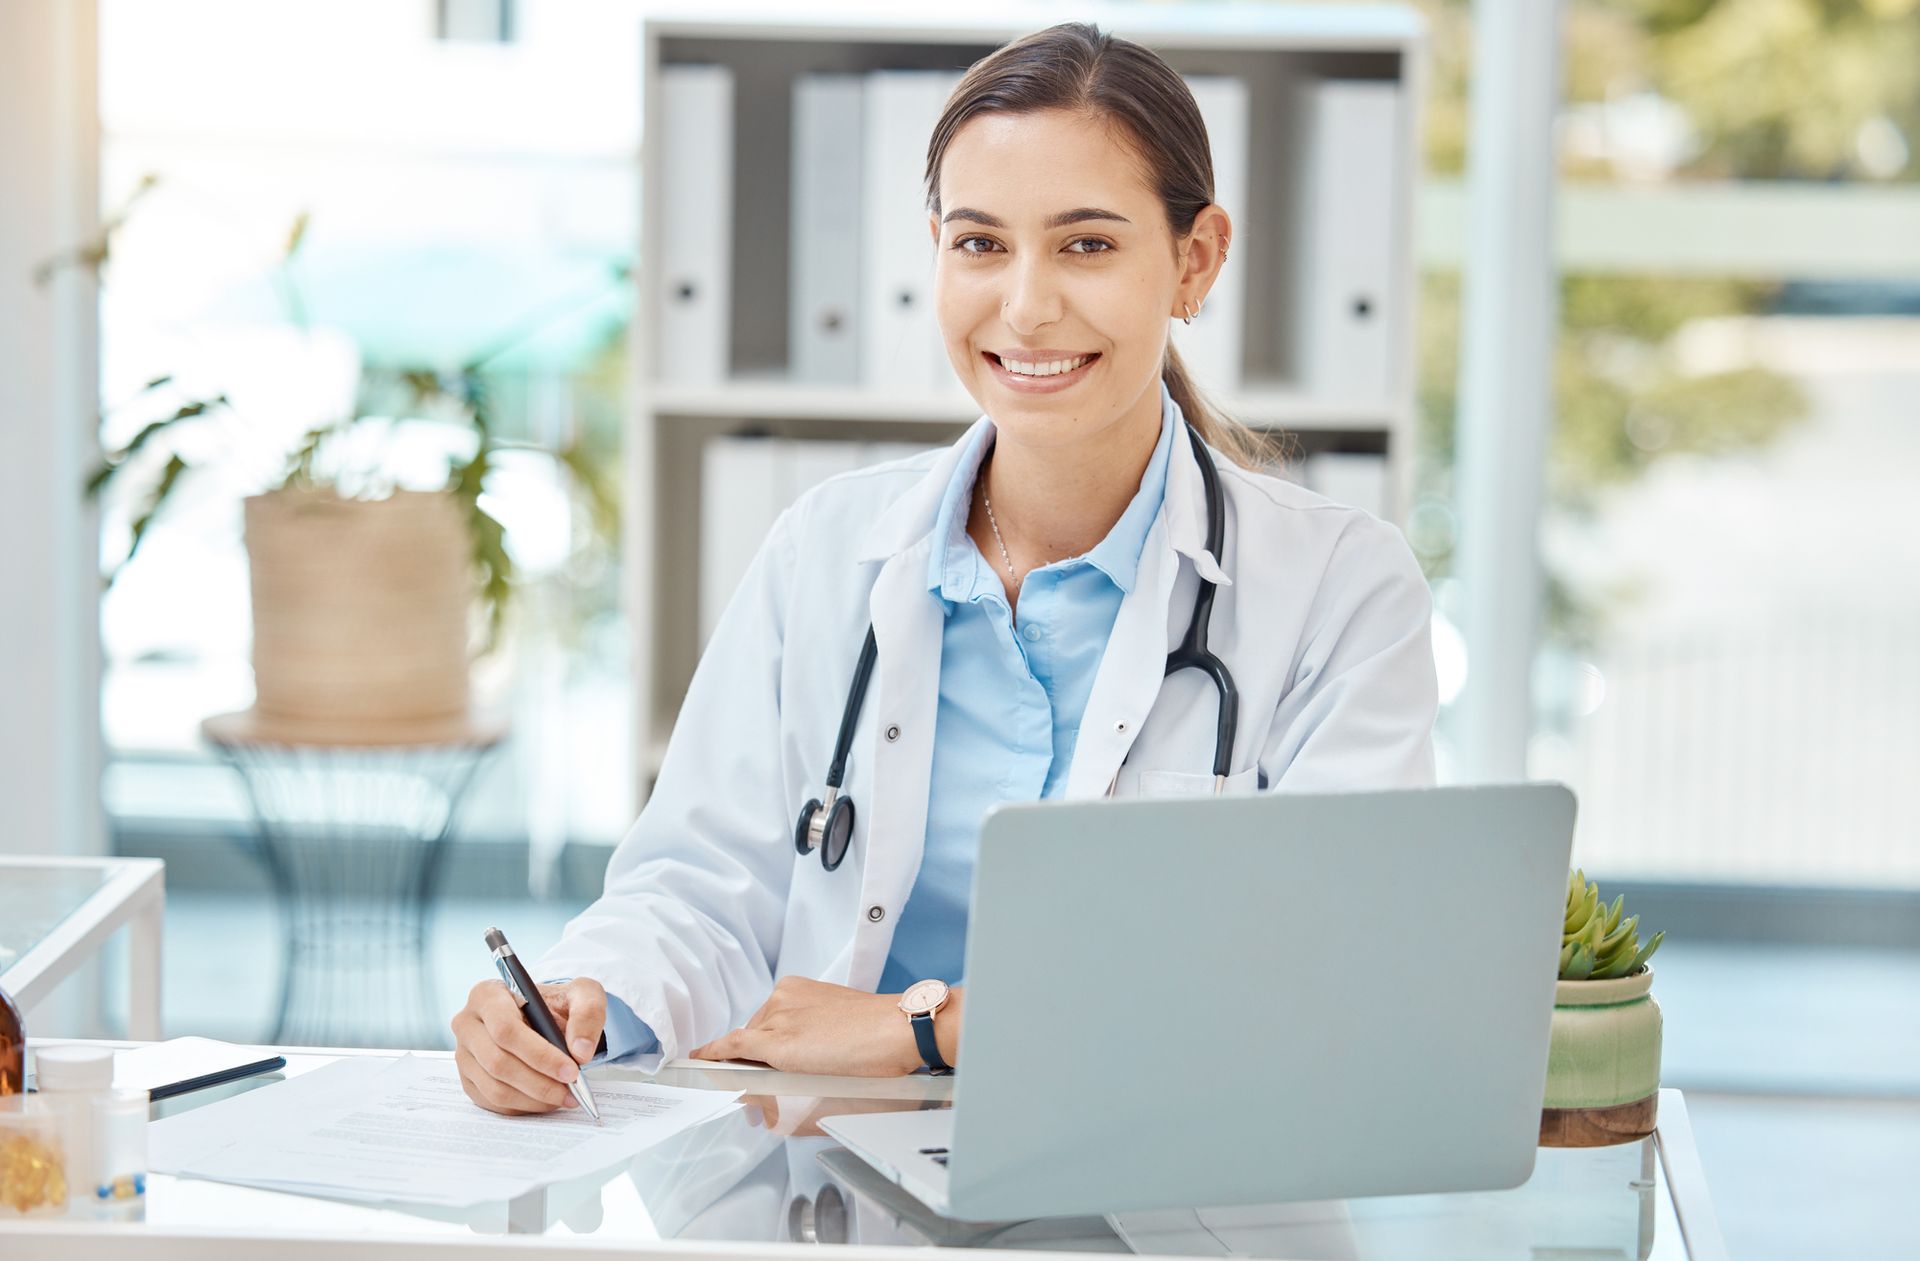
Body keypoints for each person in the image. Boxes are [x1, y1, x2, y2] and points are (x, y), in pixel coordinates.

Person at [451, 20, 1437, 1116]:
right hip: (833, 1172)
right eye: (979, 245)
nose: (1024, 306)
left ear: (1195, 259)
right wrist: (589, 998)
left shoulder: (1341, 589)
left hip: (1180, 1181)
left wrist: (926, 1028)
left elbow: (1328, 973)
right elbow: (700, 888)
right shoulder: (826, 550)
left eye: (1087, 245)